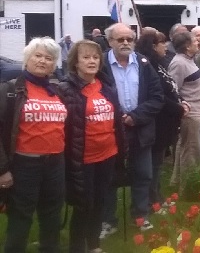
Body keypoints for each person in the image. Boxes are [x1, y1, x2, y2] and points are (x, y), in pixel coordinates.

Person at [58, 40, 126, 253]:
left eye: (95, 57)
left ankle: (94, 244)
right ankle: (77, 247)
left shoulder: (106, 88)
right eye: (86, 57)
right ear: (75, 62)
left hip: (107, 155)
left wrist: (122, 152)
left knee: (99, 202)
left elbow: (117, 122)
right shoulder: (65, 89)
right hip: (82, 158)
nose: (91, 61)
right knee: (83, 205)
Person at [0, 38, 66, 252]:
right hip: (24, 165)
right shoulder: (9, 90)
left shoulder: (57, 90)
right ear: (27, 59)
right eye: (37, 56)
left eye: (49, 58)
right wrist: (2, 170)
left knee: (52, 217)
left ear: (54, 64)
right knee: (21, 218)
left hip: (55, 164)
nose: (43, 61)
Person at [101, 23, 164, 236]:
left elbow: (157, 97)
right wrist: (117, 117)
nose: (126, 43)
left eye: (129, 39)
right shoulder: (100, 63)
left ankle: (140, 215)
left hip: (140, 128)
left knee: (143, 174)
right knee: (109, 176)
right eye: (120, 39)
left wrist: (135, 117)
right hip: (109, 129)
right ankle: (107, 221)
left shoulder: (144, 64)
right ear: (110, 41)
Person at [135, 30, 188, 207]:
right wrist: (178, 108)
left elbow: (170, 88)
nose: (165, 46)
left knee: (157, 162)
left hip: (167, 121)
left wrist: (180, 102)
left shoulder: (159, 63)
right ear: (152, 46)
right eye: (161, 43)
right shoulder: (148, 65)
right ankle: (152, 199)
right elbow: (159, 95)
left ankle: (156, 195)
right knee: (154, 164)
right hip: (158, 121)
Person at [168, 32, 200, 190]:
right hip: (189, 112)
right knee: (191, 149)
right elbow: (173, 89)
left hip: (196, 106)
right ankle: (189, 187)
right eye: (194, 40)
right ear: (187, 46)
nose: (198, 42)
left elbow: (191, 83)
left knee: (184, 146)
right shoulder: (179, 63)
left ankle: (176, 181)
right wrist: (183, 105)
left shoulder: (189, 60)